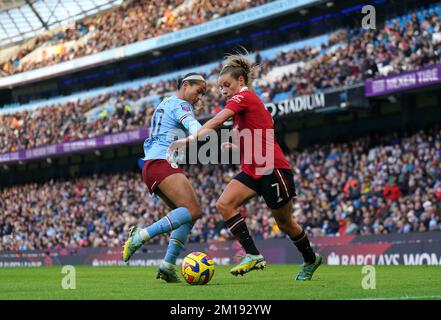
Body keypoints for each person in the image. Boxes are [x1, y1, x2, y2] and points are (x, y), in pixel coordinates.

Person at [169, 54, 322, 281]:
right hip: (253, 169)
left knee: (285, 223)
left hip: (272, 168)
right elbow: (259, 132)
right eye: (220, 87)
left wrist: (190, 140)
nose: (223, 91)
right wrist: (236, 146)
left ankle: (311, 259)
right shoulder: (245, 105)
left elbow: (218, 120)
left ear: (241, 81)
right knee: (224, 204)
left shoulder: (245, 96)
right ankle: (252, 254)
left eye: (227, 85)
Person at [122, 73, 207, 283]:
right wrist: (198, 133)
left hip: (152, 165)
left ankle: (168, 265)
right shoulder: (182, 105)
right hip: (162, 162)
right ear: (186, 85)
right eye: (198, 91)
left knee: (187, 215)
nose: (199, 98)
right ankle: (140, 236)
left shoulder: (165, 103)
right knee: (193, 210)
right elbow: (193, 125)